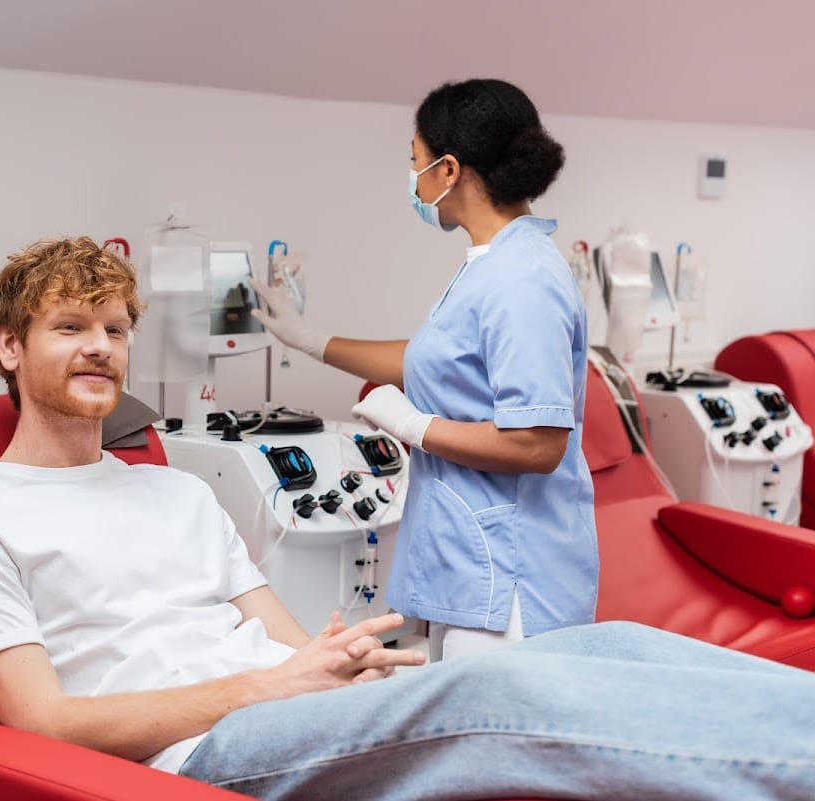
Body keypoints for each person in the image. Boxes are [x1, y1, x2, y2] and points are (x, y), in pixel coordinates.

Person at [0, 235, 815, 801]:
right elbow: (40, 725)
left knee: (600, 646)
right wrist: (268, 689)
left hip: (285, 715)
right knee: (495, 687)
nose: (101, 348)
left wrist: (345, 664)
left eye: (113, 328)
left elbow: (285, 643)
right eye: (70, 327)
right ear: (8, 344)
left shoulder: (176, 491)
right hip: (200, 753)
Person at [251, 79, 594, 661]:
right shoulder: (492, 263)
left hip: (510, 586)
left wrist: (415, 427)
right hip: (472, 573)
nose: (412, 180)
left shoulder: (521, 280)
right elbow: (431, 361)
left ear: (449, 170)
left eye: (414, 162)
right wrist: (309, 340)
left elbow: (538, 444)